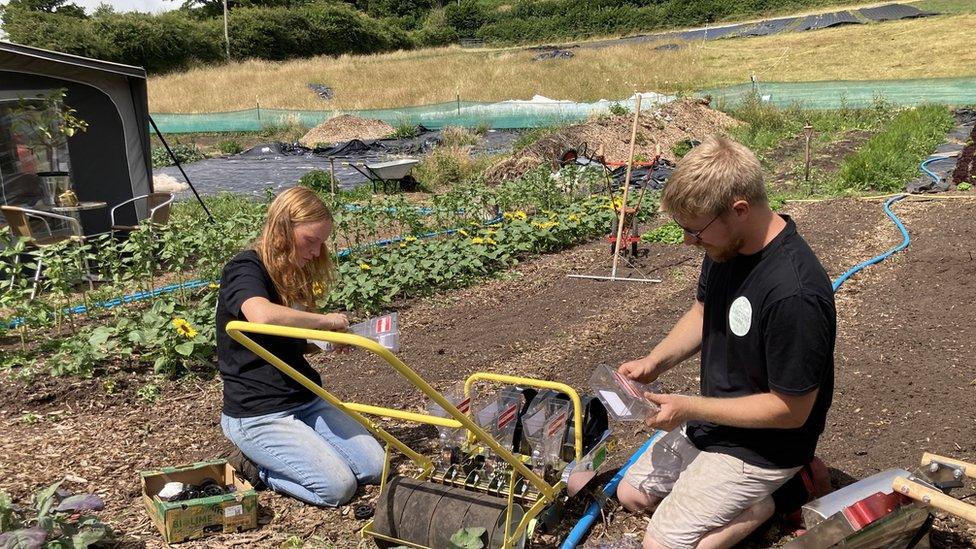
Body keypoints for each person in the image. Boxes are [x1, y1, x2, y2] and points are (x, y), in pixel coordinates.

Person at [616, 136, 836, 549]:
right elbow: (703, 313)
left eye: (694, 231)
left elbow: (791, 411)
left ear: (739, 210)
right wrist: (654, 362)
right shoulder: (725, 247)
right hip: (718, 422)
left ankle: (781, 492)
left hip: (768, 444)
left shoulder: (795, 294)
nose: (688, 242)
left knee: (663, 544)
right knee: (631, 495)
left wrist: (688, 407)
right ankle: (766, 495)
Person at [216, 186, 385, 507]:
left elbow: (290, 342)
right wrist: (325, 321)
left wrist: (326, 344)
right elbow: (261, 317)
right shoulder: (245, 269)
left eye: (322, 243)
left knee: (375, 468)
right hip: (259, 411)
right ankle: (257, 467)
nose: (317, 252)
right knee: (338, 489)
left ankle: (304, 451)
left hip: (305, 397)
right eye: (311, 241)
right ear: (282, 230)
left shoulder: (290, 275)